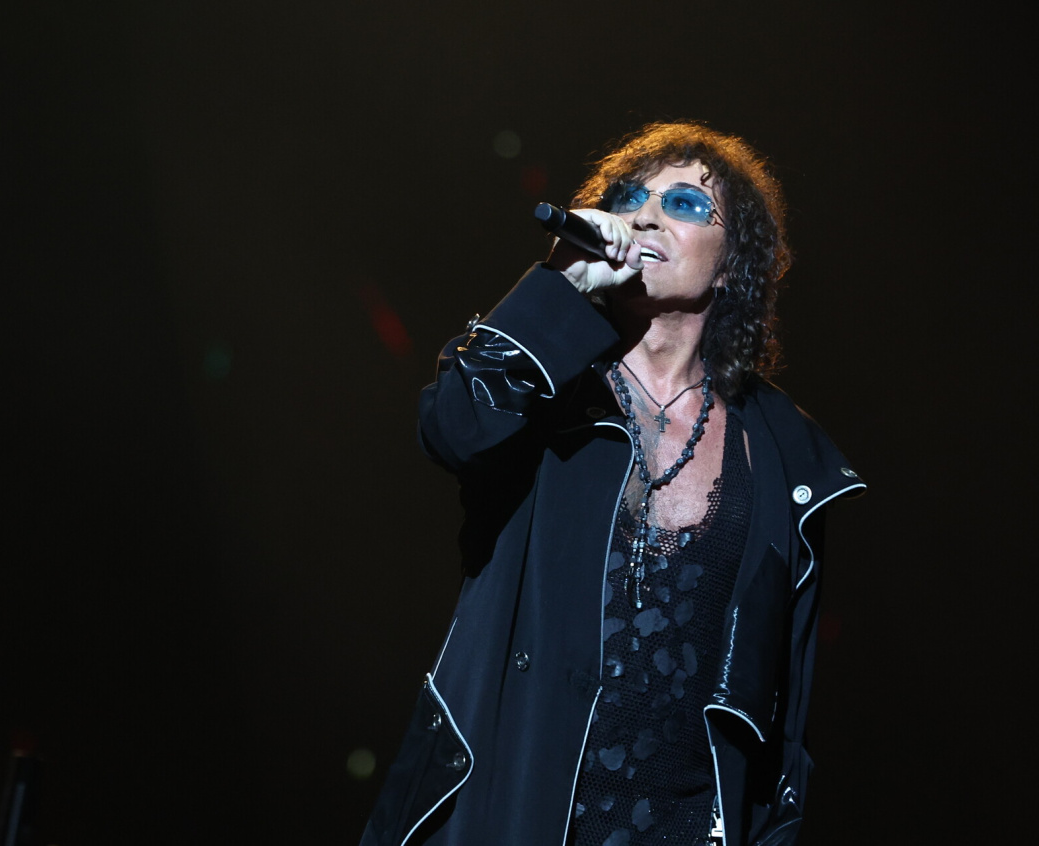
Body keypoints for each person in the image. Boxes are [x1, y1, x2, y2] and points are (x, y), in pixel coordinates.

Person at [359, 122, 865, 846]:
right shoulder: (548, 386)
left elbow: (782, 716)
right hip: (515, 809)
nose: (647, 215)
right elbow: (453, 427)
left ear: (731, 265)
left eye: (685, 203)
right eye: (629, 197)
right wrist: (559, 284)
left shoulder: (785, 455)